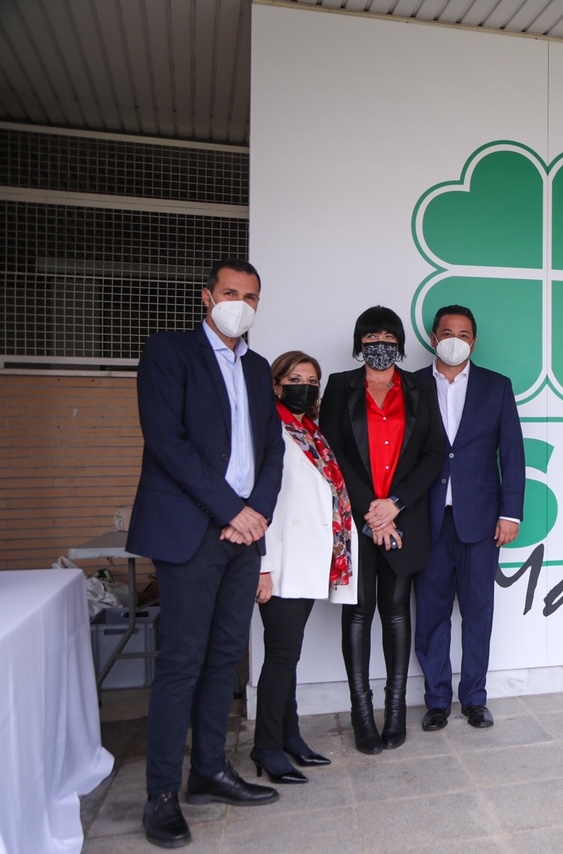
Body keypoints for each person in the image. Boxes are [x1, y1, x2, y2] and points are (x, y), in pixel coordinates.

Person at [128, 259, 284, 848]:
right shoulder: (170, 354)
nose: (238, 304)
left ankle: (210, 772)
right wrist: (231, 510)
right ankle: (161, 793)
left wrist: (257, 514)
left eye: (249, 296)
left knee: (225, 659)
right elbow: (167, 441)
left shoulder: (259, 368)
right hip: (194, 531)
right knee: (181, 663)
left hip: (244, 535)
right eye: (229, 293)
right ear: (206, 297)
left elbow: (272, 452)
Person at [319, 307, 445, 755]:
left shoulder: (419, 388)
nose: (380, 343)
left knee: (395, 611)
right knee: (358, 612)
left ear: (400, 343)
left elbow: (434, 453)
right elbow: (331, 450)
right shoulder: (339, 386)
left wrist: (395, 505)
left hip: (404, 519)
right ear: (360, 341)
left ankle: (394, 711)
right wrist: (373, 512)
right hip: (356, 521)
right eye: (372, 335)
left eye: (388, 335)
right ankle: (361, 713)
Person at [414, 305, 525, 732]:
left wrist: (510, 512)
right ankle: (437, 700)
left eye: (463, 333)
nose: (455, 339)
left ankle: (475, 698)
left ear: (474, 340)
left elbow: (512, 453)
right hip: (427, 520)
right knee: (431, 614)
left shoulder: (496, 387)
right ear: (433, 336)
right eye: (447, 332)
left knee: (479, 612)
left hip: (480, 520)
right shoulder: (413, 385)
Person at [251, 351, 358, 784]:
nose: (305, 386)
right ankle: (266, 747)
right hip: (280, 562)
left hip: (307, 557)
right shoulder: (267, 429)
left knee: (288, 656)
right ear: (276, 385)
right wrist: (263, 565)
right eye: (295, 378)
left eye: (312, 380)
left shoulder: (309, 429)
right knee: (280, 656)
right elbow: (258, 501)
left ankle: (289, 736)